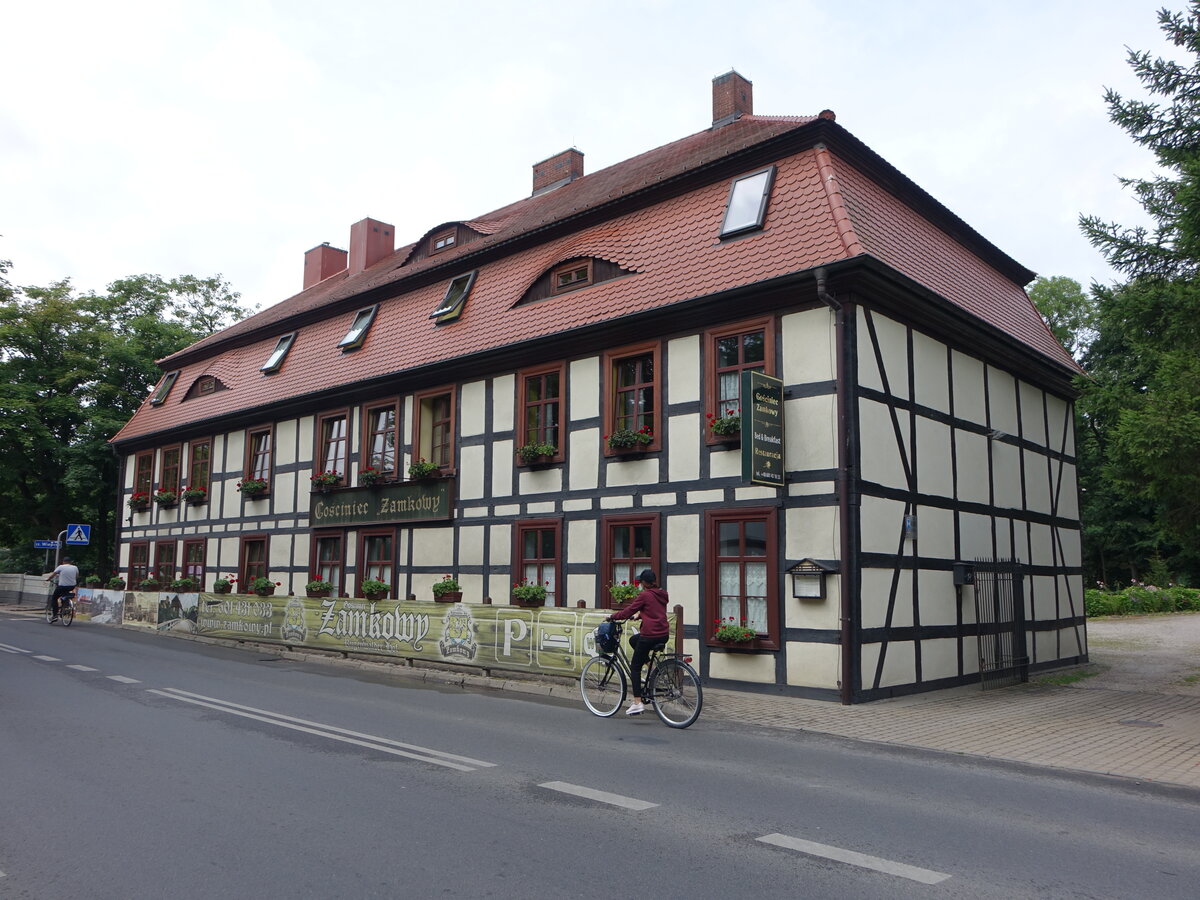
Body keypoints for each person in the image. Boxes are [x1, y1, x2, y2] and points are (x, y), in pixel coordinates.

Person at [607, 569, 669, 716]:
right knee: (633, 640)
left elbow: (628, 611)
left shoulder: (644, 595)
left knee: (635, 667)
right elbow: (655, 610)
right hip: (663, 635)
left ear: (645, 583)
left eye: (641, 582)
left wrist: (613, 616)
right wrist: (640, 615)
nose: (640, 584)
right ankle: (652, 666)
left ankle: (637, 702)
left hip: (650, 636)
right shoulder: (662, 594)